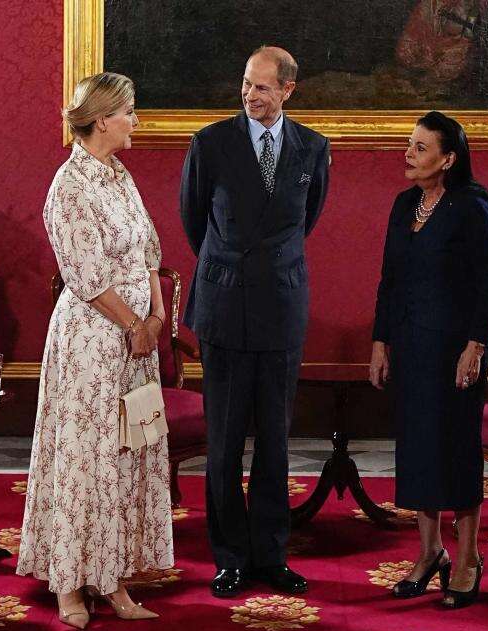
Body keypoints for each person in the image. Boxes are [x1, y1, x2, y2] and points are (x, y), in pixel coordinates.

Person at [17, 72, 174, 630]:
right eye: (130, 111)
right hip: (91, 343)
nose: (136, 120)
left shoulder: (119, 175)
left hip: (136, 343)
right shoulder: (70, 185)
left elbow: (149, 249)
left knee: (126, 458)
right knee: (88, 461)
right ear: (103, 118)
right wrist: (135, 323)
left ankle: (115, 578)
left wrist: (155, 319)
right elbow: (84, 274)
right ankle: (70, 586)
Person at [179, 46, 331, 598]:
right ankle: (230, 558)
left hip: (281, 308)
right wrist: (229, 270)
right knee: (222, 444)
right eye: (246, 84)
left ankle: (270, 555)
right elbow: (194, 221)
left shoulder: (313, 149)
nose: (250, 95)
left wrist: (267, 269)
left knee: (274, 442)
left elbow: (305, 220)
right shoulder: (211, 143)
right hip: (223, 306)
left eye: (262, 87)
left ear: (288, 90)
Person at [369, 111, 488, 609]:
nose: (409, 153)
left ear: (448, 159)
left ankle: (467, 559)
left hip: (456, 351)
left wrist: (476, 346)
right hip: (410, 347)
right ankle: (430, 553)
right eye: (410, 144)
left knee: (457, 449)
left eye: (421, 148)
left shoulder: (474, 206)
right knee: (419, 449)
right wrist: (380, 342)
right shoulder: (404, 204)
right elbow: (389, 279)